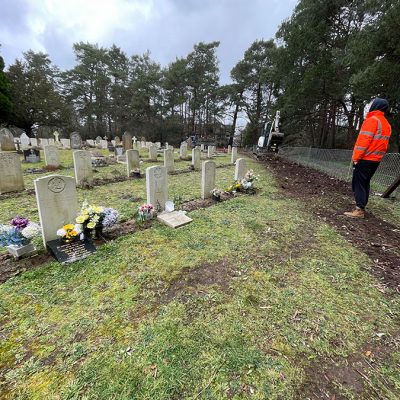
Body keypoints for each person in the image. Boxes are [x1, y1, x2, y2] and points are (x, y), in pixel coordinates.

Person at [344, 97, 392, 218]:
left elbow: (363, 142)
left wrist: (356, 157)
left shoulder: (372, 120)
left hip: (365, 158)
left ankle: (359, 209)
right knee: (365, 182)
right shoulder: (386, 124)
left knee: (358, 182)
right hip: (375, 160)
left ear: (375, 106)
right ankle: (361, 206)